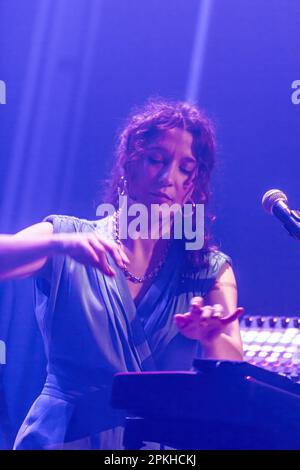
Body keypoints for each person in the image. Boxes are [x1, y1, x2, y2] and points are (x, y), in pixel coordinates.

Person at [1, 99, 243, 449]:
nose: (167, 178)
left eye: (185, 168)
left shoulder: (209, 269)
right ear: (128, 163)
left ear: (194, 185)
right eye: (156, 160)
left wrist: (211, 338)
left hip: (158, 444)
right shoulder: (70, 236)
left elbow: (231, 376)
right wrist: (57, 245)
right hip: (63, 438)